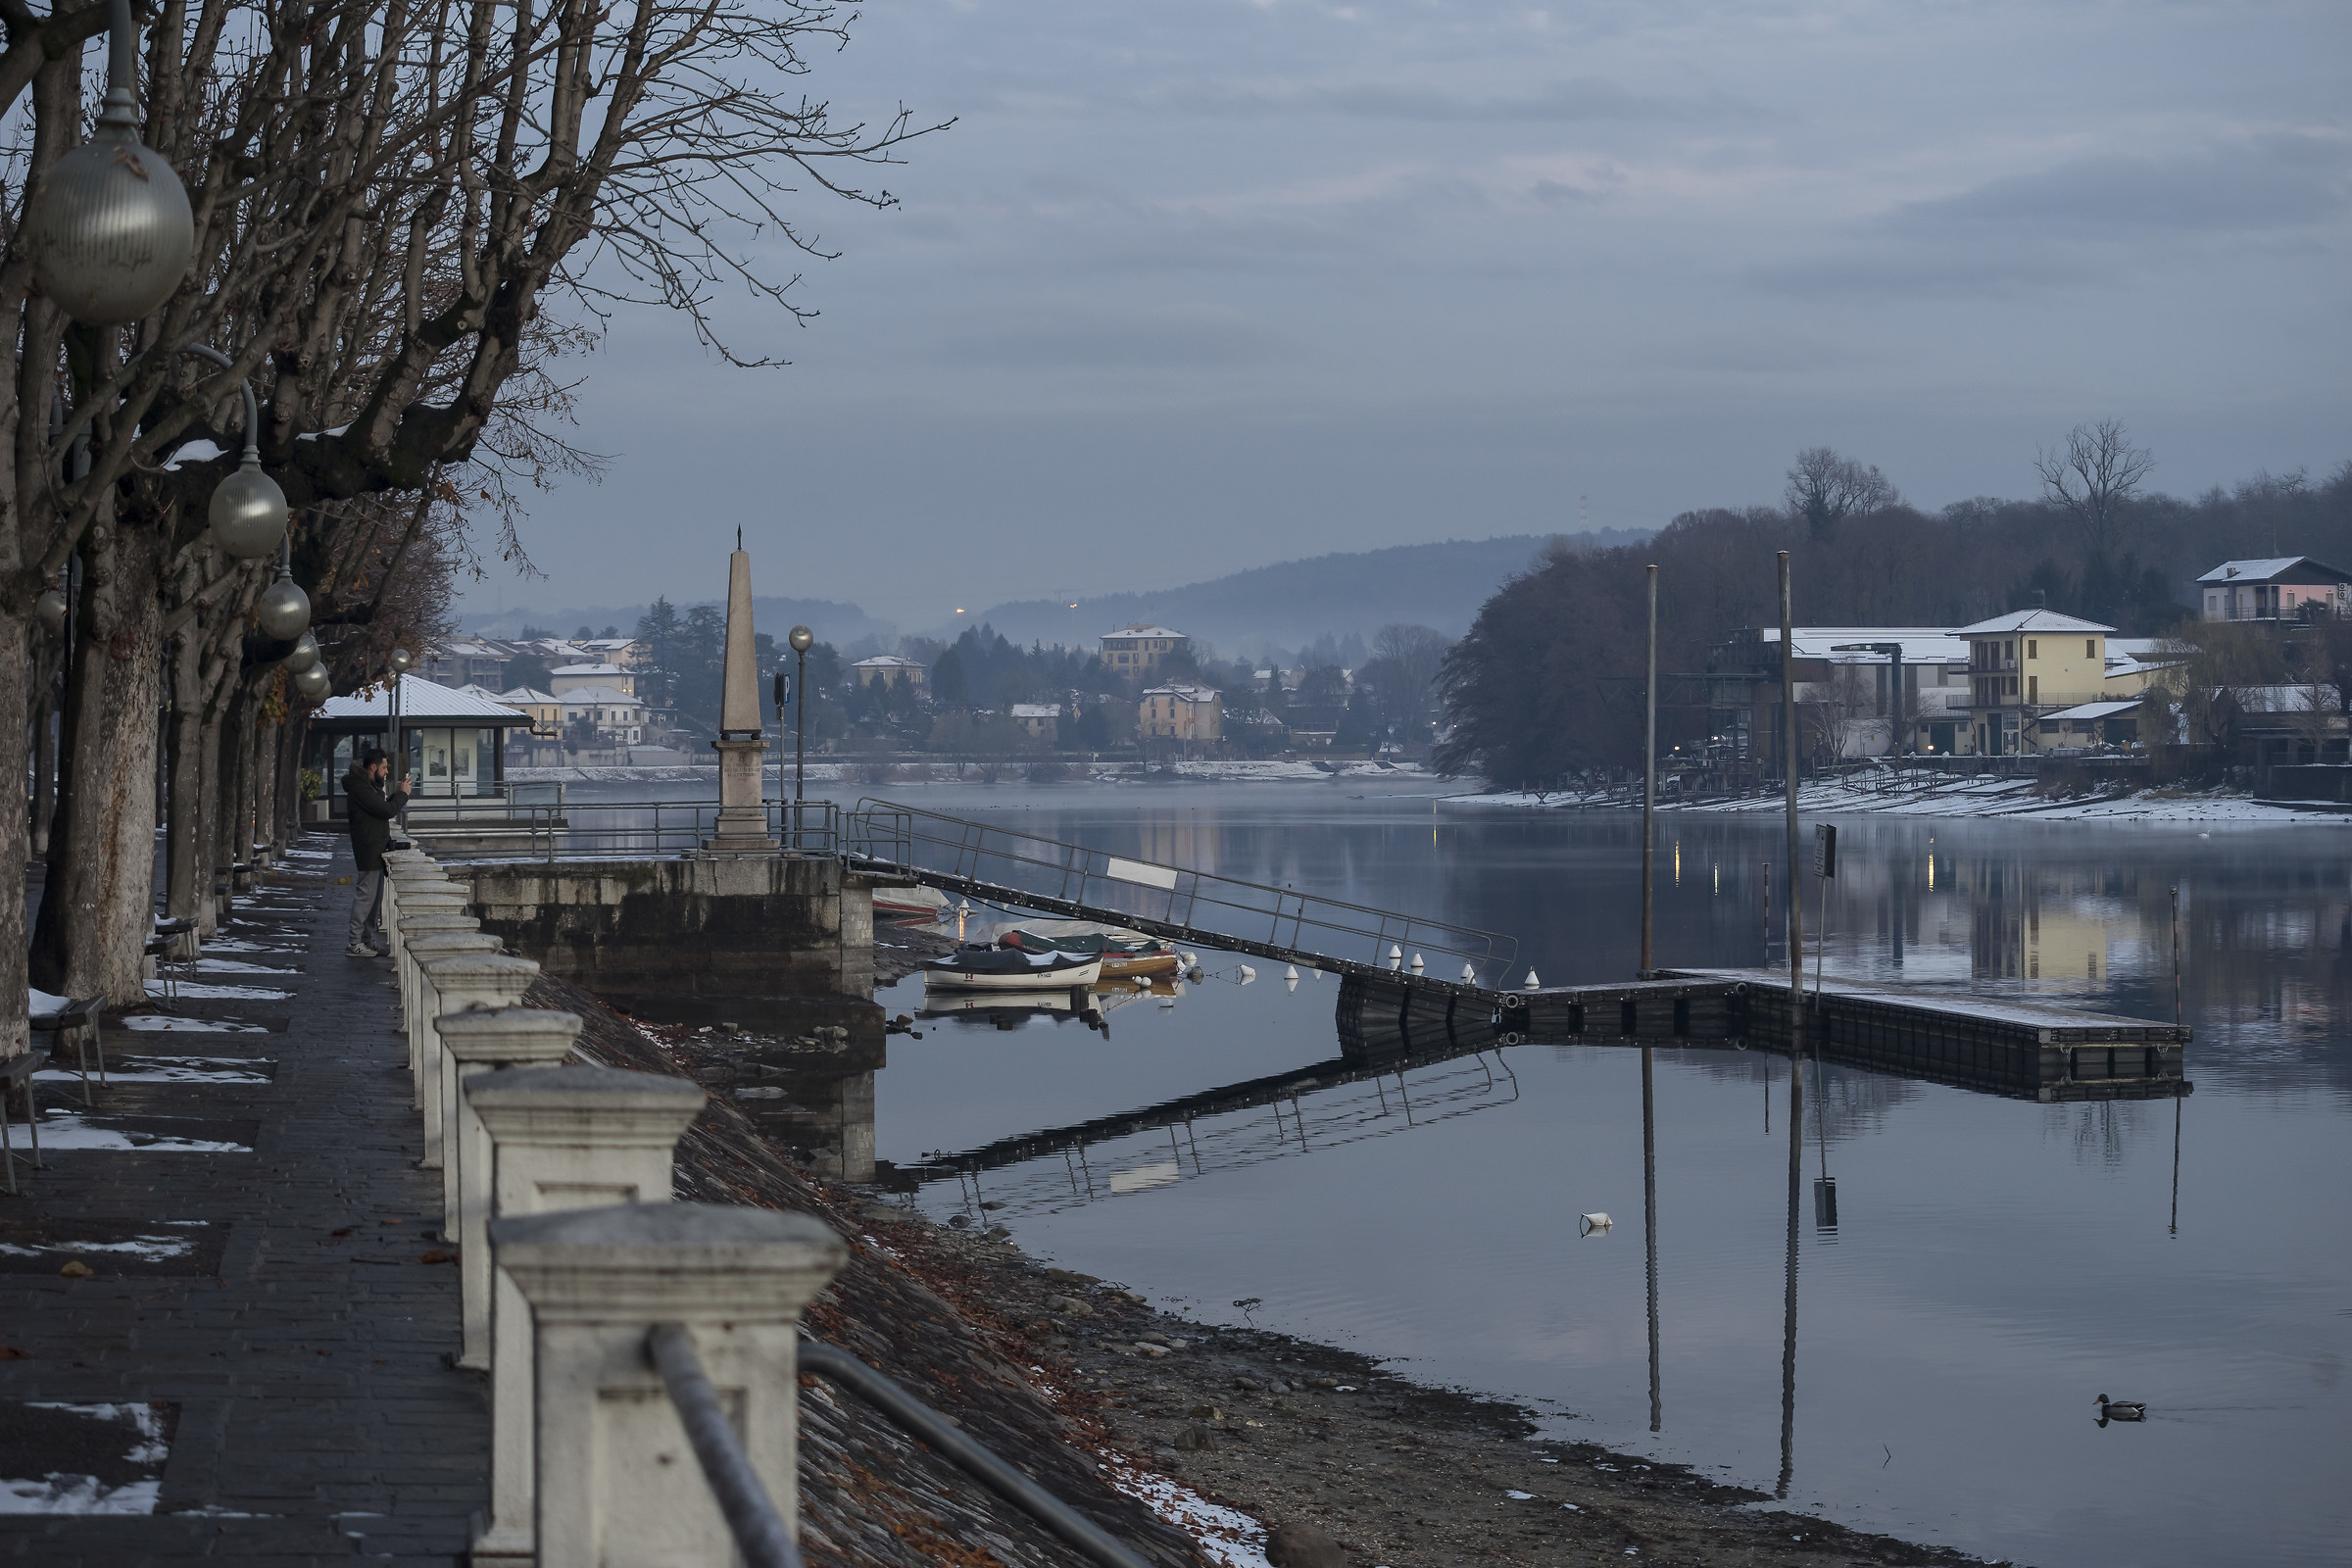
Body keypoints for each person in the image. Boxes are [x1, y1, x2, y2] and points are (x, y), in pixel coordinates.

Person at [344, 744, 410, 956]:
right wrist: (402, 795)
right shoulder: (360, 788)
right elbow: (386, 810)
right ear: (373, 767)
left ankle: (366, 939)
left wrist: (396, 795)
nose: (387, 771)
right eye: (384, 768)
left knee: (375, 899)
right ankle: (354, 943)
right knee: (366, 897)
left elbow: (380, 809)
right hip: (368, 848)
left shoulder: (368, 787)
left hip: (375, 848)